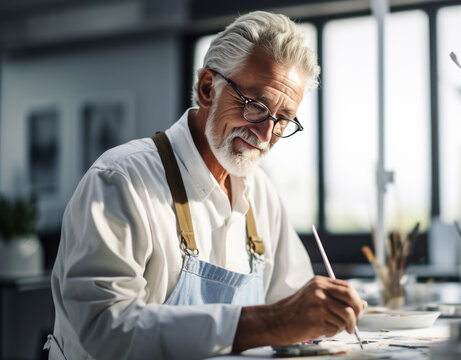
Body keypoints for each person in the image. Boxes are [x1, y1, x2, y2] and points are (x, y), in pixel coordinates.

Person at [45, 11, 366, 359]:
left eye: (283, 120)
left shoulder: (263, 195)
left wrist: (322, 317)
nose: (265, 133)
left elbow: (294, 307)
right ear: (208, 89)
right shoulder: (120, 180)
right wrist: (265, 322)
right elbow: (103, 327)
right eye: (256, 106)